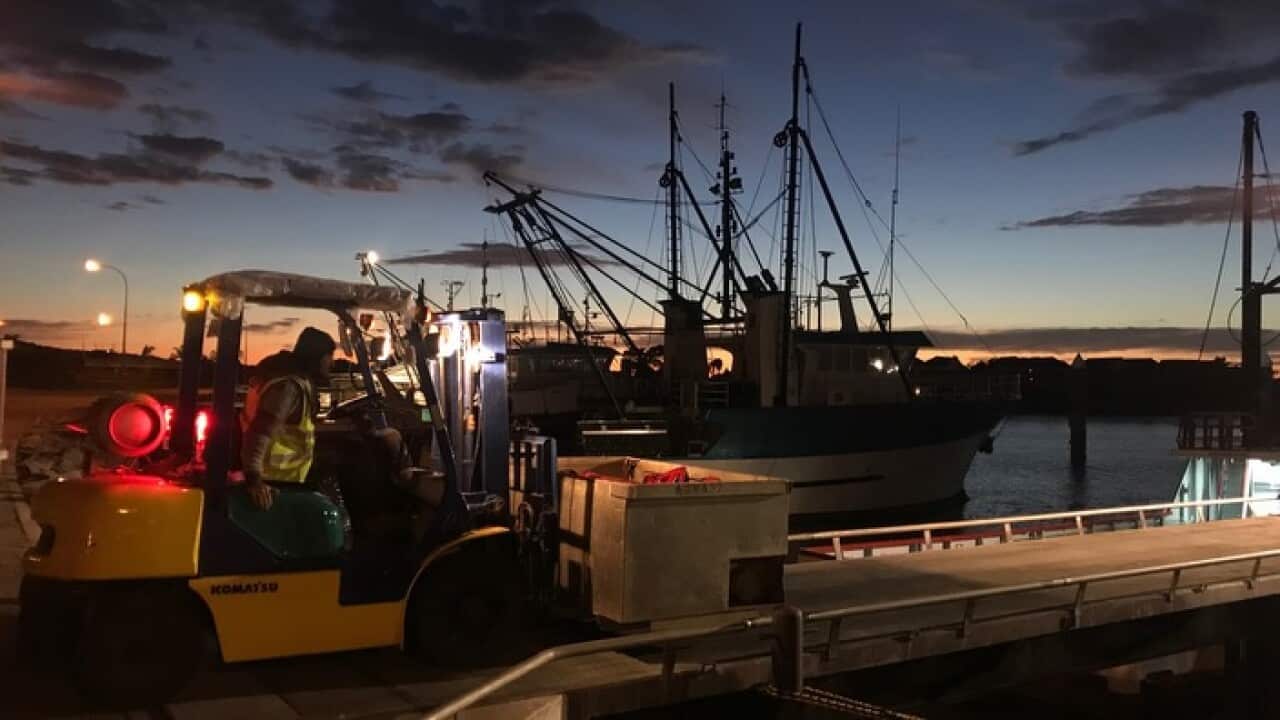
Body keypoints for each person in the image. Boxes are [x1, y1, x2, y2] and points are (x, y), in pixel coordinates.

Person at [240, 327, 337, 509]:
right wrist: (254, 480)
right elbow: (259, 433)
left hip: (281, 478)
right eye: (329, 355)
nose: (332, 363)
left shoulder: (284, 379)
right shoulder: (288, 388)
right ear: (317, 357)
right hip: (276, 482)